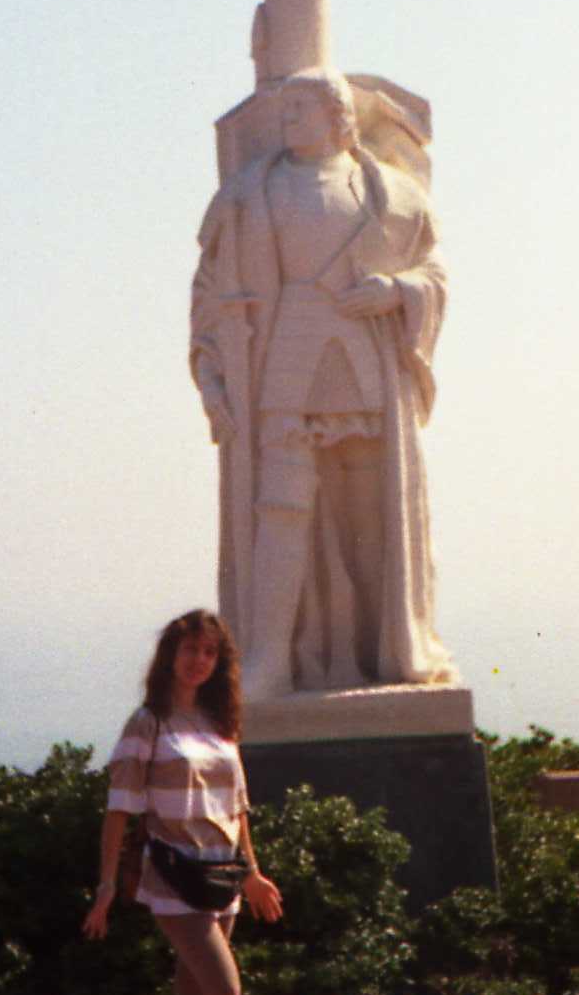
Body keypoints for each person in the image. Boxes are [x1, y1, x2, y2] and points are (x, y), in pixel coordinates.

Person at [190, 68, 453, 699]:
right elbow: (213, 291)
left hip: (363, 360)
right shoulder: (251, 194)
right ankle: (271, 658)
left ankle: (382, 647)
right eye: (284, 111)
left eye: (302, 109)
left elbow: (433, 268)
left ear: (338, 117)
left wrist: (397, 291)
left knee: (371, 507)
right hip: (285, 352)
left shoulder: (391, 194)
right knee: (281, 504)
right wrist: (215, 380)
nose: (289, 120)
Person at [82, 608, 289, 995]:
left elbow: (238, 809)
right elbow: (119, 811)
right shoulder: (147, 723)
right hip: (173, 876)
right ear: (170, 656)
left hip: (221, 878)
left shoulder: (221, 726)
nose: (198, 661)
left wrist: (253, 874)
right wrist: (105, 887)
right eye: (190, 649)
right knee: (224, 985)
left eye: (209, 652)